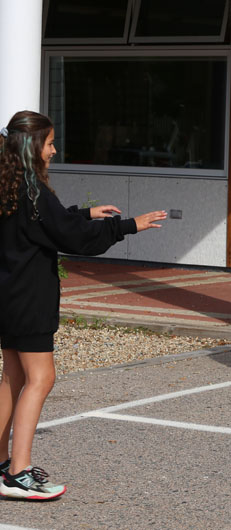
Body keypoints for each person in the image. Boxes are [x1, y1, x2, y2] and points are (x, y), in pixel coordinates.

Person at [0, 111, 166, 499]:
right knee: (41, 378)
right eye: (50, 142)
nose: (54, 150)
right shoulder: (32, 190)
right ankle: (19, 473)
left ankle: (4, 466)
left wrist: (85, 213)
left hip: (8, 295)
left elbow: (47, 224)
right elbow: (71, 237)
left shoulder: (8, 185)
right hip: (29, 297)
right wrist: (127, 226)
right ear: (31, 147)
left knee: (13, 379)